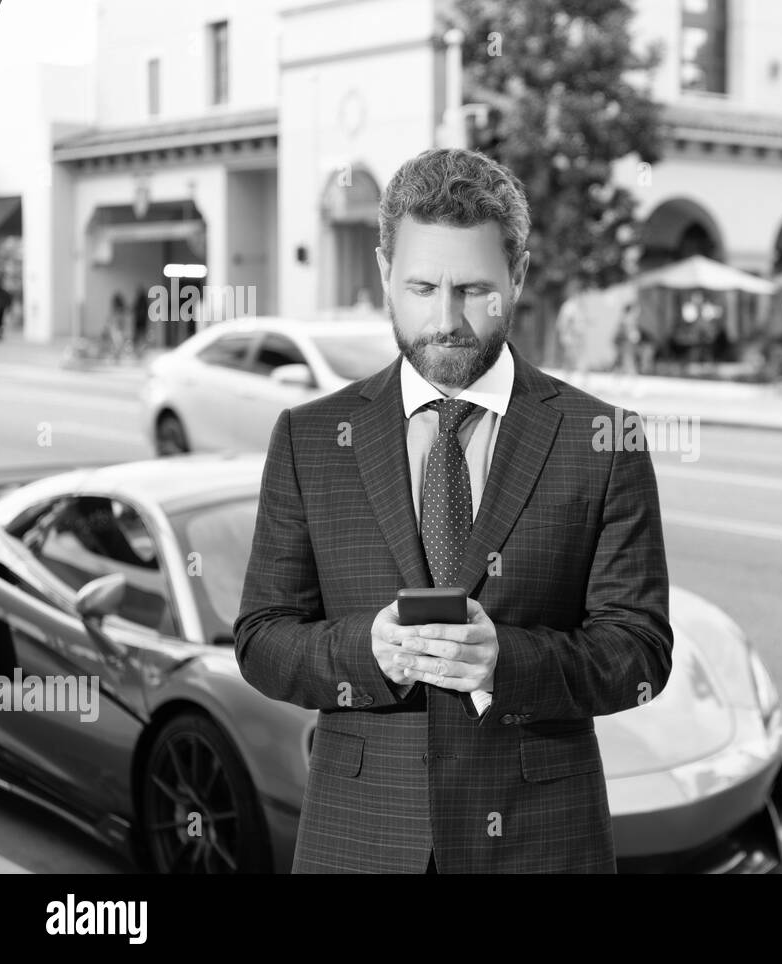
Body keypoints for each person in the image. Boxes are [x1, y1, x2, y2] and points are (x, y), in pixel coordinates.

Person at [233, 148, 673, 874]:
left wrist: (509, 660)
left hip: (541, 844)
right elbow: (260, 638)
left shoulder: (605, 440)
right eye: (422, 287)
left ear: (519, 277)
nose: (446, 319)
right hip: (360, 843)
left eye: (472, 289)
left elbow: (642, 652)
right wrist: (363, 652)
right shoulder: (308, 439)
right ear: (383, 276)